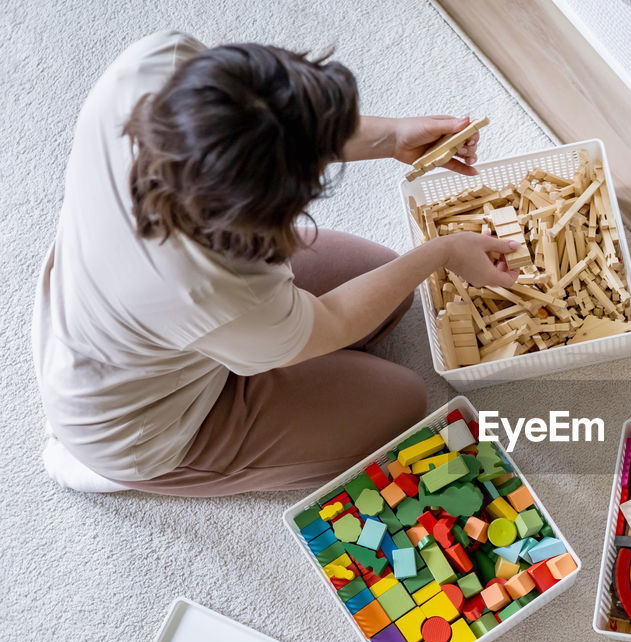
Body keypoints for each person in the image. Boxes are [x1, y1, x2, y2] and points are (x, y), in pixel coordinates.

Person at [32, 30, 518, 497]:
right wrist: (442, 253)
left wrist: (391, 137)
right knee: (402, 401)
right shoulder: (213, 285)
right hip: (135, 425)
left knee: (387, 288)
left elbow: (265, 122)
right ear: (257, 213)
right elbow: (336, 319)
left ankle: (250, 354)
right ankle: (113, 469)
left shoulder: (158, 66)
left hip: (138, 320)